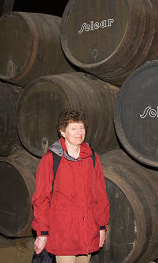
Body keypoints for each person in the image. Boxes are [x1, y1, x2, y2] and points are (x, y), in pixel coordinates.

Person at [32, 108, 110, 263]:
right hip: (64, 232)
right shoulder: (50, 160)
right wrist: (42, 233)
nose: (79, 132)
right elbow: (41, 198)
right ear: (62, 131)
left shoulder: (92, 157)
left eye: (81, 128)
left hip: (87, 230)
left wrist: (101, 227)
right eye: (73, 128)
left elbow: (100, 195)